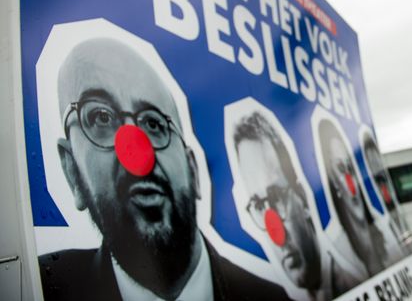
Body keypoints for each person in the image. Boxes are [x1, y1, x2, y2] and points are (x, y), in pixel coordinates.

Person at [39, 38, 289, 301]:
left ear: (193, 171)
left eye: (154, 124)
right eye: (101, 117)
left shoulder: (272, 298)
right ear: (72, 172)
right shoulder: (39, 287)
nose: (136, 153)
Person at [233, 111, 365, 300]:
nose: (277, 235)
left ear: (302, 198)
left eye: (277, 197)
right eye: (259, 205)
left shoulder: (352, 286)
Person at [319, 119, 387, 276]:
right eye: (341, 168)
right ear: (333, 180)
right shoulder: (336, 250)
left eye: (350, 167)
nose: (351, 182)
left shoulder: (381, 228)